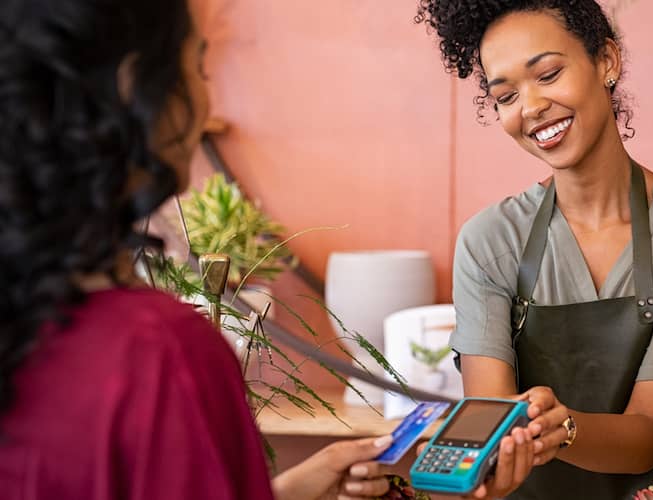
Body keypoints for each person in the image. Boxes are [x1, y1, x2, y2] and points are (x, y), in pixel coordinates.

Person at [0, 1, 399, 498]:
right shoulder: (161, 352)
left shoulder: (29, 325)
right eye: (198, 69)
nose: (205, 102)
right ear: (136, 87)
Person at [415, 1, 653, 498]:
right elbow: (493, 431)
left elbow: (651, 432)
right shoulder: (490, 242)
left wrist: (563, 428)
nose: (531, 107)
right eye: (506, 96)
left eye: (547, 73)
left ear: (607, 61)